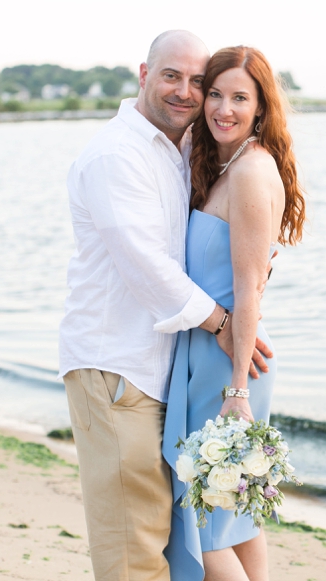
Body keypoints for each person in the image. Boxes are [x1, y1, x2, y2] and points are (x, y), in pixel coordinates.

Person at [58, 30, 272, 581]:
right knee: (137, 549)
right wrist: (225, 321)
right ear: (143, 74)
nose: (186, 92)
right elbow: (148, 266)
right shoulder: (117, 154)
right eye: (171, 75)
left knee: (205, 525)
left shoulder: (186, 151)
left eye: (198, 81)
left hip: (170, 373)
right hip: (118, 370)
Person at [162, 45, 305, 581]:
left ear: (261, 107)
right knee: (233, 519)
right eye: (215, 94)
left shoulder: (248, 173)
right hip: (212, 355)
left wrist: (237, 393)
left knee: (199, 518)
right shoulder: (228, 165)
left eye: (239, 97)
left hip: (227, 365)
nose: (223, 108)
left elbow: (247, 293)